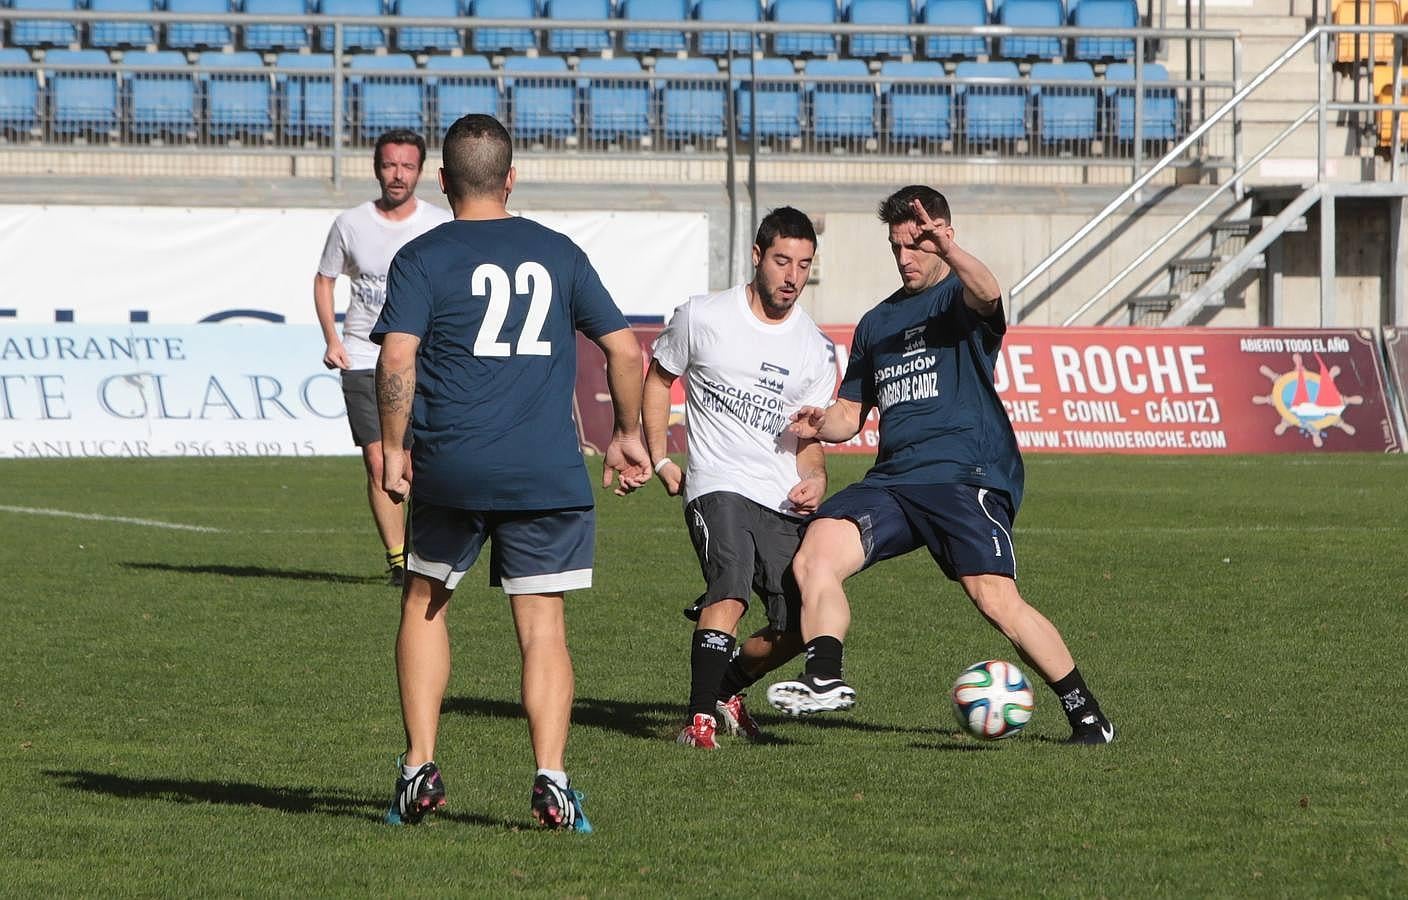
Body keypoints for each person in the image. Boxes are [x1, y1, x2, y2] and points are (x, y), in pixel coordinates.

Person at [371, 114, 651, 830]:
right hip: (544, 468)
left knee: (424, 599)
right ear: (512, 177)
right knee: (543, 626)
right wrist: (623, 434)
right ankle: (551, 779)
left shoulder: (423, 255)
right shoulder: (557, 252)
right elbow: (626, 352)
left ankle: (418, 767)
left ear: (441, 181)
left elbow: (396, 358)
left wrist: (395, 450)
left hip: (454, 463)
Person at [765, 186, 1116, 745]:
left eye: (917, 245)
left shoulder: (959, 297)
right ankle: (824, 675)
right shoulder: (876, 323)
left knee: (994, 599)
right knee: (816, 554)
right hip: (894, 483)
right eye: (896, 247)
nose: (905, 257)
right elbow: (852, 414)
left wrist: (950, 251)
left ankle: (1087, 713)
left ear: (941, 238)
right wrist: (819, 424)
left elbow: (989, 290)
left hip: (964, 475)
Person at [644, 207, 837, 750]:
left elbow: (809, 439)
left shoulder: (816, 348)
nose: (791, 276)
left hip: (779, 496)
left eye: (803, 264)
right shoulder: (703, 317)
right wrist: (660, 459)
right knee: (729, 584)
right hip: (716, 484)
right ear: (757, 257)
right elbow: (658, 380)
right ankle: (698, 720)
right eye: (781, 261)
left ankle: (726, 691)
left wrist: (816, 478)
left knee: (801, 623)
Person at [314, 129, 452, 586]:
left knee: (414, 463)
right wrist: (332, 338)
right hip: (361, 355)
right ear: (377, 168)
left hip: (419, 359)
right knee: (378, 461)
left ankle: (421, 554)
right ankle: (397, 561)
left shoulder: (437, 224)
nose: (397, 175)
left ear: (422, 172)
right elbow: (325, 279)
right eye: (390, 165)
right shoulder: (350, 223)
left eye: (407, 166)